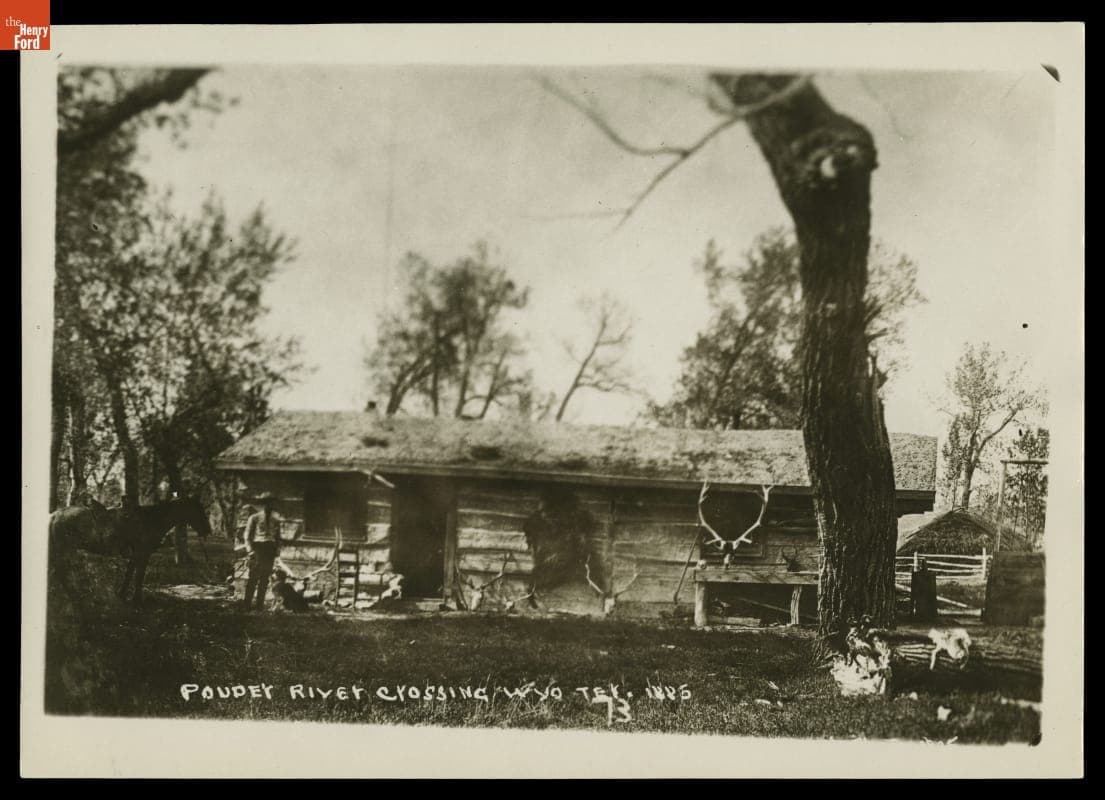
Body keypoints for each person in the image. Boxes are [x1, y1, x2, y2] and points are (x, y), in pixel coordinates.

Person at [242, 492, 285, 611]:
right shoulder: (254, 518)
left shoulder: (275, 519)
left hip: (269, 549)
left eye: (271, 503)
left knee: (265, 578)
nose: (268, 505)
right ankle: (246, 605)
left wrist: (277, 551)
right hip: (258, 548)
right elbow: (247, 536)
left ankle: (259, 606)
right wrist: (250, 551)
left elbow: (278, 537)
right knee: (253, 577)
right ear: (262, 504)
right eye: (266, 503)